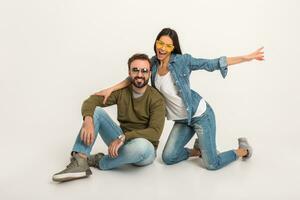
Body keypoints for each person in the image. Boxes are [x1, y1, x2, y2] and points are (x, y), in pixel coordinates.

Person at [95, 28, 264, 170]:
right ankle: (198, 151)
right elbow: (134, 77)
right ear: (156, 43)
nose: (162, 48)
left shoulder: (182, 61)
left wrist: (246, 57)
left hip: (200, 115)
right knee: (168, 158)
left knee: (212, 164)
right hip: (182, 121)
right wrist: (111, 89)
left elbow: (211, 63)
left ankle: (242, 150)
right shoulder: (152, 64)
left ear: (173, 47)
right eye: (160, 43)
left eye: (167, 45)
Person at [52, 53, 166, 182]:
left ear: (149, 73)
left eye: (144, 71)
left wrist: (124, 137)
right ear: (129, 72)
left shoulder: (156, 99)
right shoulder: (123, 92)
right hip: (120, 140)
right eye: (135, 70)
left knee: (141, 146)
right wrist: (88, 120)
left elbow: (155, 133)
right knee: (96, 112)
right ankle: (80, 160)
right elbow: (92, 100)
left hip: (144, 150)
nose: (140, 74)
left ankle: (101, 162)